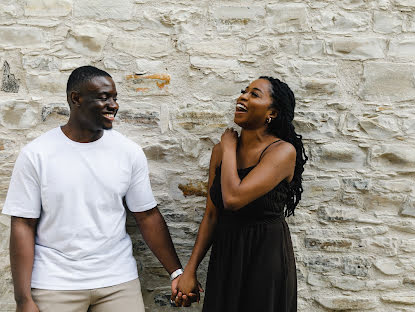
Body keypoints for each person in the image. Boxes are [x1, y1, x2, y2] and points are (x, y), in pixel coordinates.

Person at [3, 66, 193, 312]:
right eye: (104, 97)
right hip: (55, 283)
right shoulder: (37, 154)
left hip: (117, 281)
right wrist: (23, 299)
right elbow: (23, 225)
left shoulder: (128, 152)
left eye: (115, 98)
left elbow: (146, 215)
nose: (113, 105)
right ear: (76, 98)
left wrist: (176, 272)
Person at [173, 76, 308, 311]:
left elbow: (234, 199)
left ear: (272, 113)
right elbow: (212, 216)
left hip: (264, 257)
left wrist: (228, 147)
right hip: (227, 254)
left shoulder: (282, 152)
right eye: (244, 91)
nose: (243, 96)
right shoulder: (220, 151)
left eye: (254, 94)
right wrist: (190, 271)